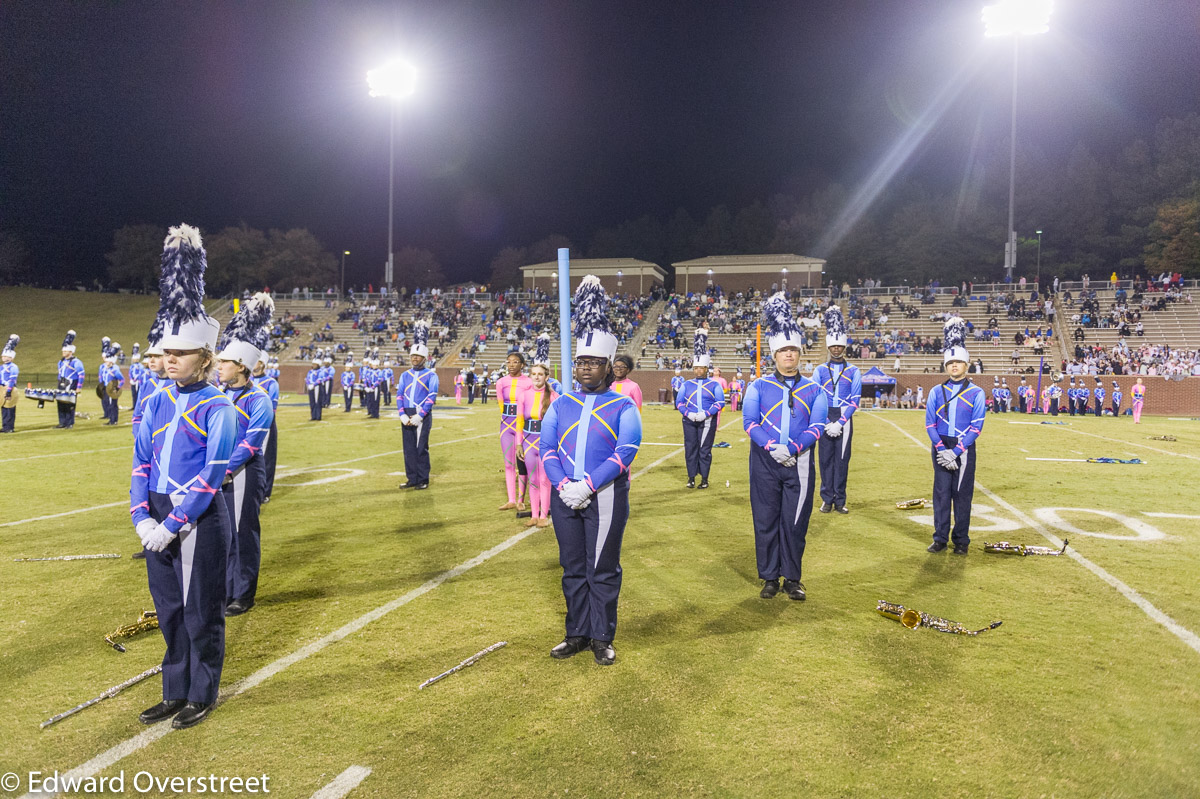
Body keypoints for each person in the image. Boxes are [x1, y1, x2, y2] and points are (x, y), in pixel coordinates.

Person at [129, 224, 237, 729]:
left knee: (200, 611)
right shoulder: (154, 399)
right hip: (156, 509)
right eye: (166, 352)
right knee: (168, 609)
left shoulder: (219, 406)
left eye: (182, 352)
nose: (170, 359)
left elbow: (214, 473)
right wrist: (140, 516)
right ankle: (174, 689)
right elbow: (139, 463)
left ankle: (202, 691)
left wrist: (175, 523)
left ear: (206, 356)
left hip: (196, 515)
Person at [541, 276, 642, 666]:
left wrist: (588, 483)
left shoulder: (622, 407)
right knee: (572, 567)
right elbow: (547, 447)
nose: (585, 367)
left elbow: (626, 450)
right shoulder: (561, 402)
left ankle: (602, 636)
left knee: (602, 567)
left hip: (605, 497)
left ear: (607, 367)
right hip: (564, 496)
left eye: (593, 362)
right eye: (581, 361)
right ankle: (577, 633)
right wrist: (563, 484)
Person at [743, 293, 827, 601]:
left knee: (794, 523)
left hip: (800, 463)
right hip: (764, 463)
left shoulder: (814, 389)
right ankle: (769, 577)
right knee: (765, 519)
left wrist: (791, 448)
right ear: (774, 355)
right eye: (783, 350)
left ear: (800, 353)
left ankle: (792, 578)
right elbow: (750, 422)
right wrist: (771, 447)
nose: (788, 355)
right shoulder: (758, 385)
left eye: (793, 349)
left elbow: (817, 426)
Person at [214, 292, 275, 616]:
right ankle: (225, 590)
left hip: (244, 473)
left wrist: (224, 467)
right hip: (220, 472)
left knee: (243, 533)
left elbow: (252, 443)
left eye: (224, 362)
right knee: (223, 534)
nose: (218, 366)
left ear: (241, 367)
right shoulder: (220, 394)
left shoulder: (259, 399)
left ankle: (243, 594)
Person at [925, 317, 987, 555]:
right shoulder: (935, 391)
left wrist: (957, 451)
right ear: (945, 365)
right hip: (941, 445)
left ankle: (961, 540)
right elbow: (930, 423)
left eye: (958, 362)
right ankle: (940, 538)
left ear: (967, 365)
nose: (954, 366)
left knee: (962, 495)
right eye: (950, 362)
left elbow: (977, 426)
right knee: (941, 494)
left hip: (964, 448)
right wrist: (942, 450)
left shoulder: (977, 392)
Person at [813, 305, 862, 514]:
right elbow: (814, 398)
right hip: (824, 416)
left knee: (842, 461)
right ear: (828, 347)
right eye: (832, 346)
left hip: (844, 416)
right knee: (825, 460)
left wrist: (841, 422)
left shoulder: (853, 370)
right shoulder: (820, 370)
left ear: (844, 347)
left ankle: (840, 499)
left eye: (839, 346)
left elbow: (855, 399)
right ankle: (826, 499)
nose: (836, 349)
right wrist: (825, 422)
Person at [675, 329, 724, 489]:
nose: (697, 371)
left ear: (706, 368)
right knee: (690, 448)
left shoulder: (714, 384)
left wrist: (705, 414)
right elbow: (679, 403)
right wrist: (689, 414)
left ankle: (704, 478)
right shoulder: (686, 384)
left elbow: (720, 402)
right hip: (689, 421)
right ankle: (691, 477)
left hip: (707, 421)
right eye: (695, 368)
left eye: (701, 368)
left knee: (704, 450)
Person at [517, 342, 559, 528]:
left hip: (546, 442)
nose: (536, 377)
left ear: (547, 376)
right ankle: (534, 514)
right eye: (533, 374)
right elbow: (519, 421)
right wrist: (519, 444)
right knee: (533, 479)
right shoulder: (523, 395)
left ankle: (543, 515)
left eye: (540, 374)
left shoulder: (555, 396)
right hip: (527, 441)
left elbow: (559, 424)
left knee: (544, 479)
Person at [397, 321, 438, 489]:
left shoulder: (431, 375)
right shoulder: (405, 375)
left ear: (424, 358)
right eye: (413, 356)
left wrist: (421, 415)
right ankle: (412, 478)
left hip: (422, 413)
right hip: (406, 412)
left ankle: (423, 479)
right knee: (408, 448)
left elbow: (432, 396)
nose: (414, 358)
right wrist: (402, 414)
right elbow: (399, 395)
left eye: (418, 356)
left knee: (421, 447)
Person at [496, 351, 533, 510]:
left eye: (515, 362)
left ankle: (523, 499)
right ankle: (512, 499)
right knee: (509, 463)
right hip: (506, 425)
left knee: (525, 463)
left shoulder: (529, 382)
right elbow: (500, 404)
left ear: (522, 365)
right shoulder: (501, 382)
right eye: (509, 362)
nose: (511, 365)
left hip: (523, 427)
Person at [251, 352, 280, 504]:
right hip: (248, 424)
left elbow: (272, 408)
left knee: (266, 458)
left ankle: (265, 491)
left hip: (265, 424)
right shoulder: (248, 380)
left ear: (262, 364)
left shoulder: (271, 383)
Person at [56, 330, 85, 429]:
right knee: (60, 402)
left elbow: (81, 374)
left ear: (71, 351)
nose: (63, 352)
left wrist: (79, 387)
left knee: (69, 403)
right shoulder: (61, 361)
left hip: (72, 383)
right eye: (63, 351)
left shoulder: (76, 362)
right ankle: (62, 422)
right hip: (62, 383)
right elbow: (60, 373)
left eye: (65, 351)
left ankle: (69, 423)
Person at [1, 335, 19, 433]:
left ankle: (10, 427)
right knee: (3, 407)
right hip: (2, 388)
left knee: (9, 408)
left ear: (11, 357)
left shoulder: (13, 367)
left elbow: (12, 379)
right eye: (3, 356)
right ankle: (5, 426)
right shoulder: (2, 367)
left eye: (6, 356)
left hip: (10, 389)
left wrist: (8, 391)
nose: (4, 358)